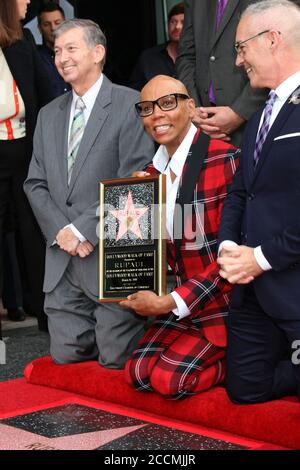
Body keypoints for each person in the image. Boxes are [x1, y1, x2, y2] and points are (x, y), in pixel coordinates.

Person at [24, 19, 155, 368]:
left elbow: (136, 181)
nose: (61, 58)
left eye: (70, 48)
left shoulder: (130, 104)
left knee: (117, 360)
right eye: (56, 51)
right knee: (66, 358)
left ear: (98, 52)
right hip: (63, 258)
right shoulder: (48, 115)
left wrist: (84, 228)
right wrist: (63, 232)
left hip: (113, 257)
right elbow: (34, 183)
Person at [121, 75, 240, 399]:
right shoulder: (149, 174)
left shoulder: (225, 158)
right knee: (138, 374)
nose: (156, 115)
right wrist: (137, 208)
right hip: (182, 307)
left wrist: (168, 301)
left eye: (167, 103)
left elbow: (231, 258)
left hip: (221, 305)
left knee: (170, 381)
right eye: (146, 108)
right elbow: (147, 254)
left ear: (190, 107)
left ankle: (244, 362)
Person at [217, 0, 300, 404]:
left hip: (292, 280)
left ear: (272, 39)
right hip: (252, 288)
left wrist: (262, 257)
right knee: (245, 388)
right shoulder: (263, 111)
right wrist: (229, 247)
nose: (237, 61)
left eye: (241, 47)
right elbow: (241, 191)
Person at [0, 0, 52, 328]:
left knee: (34, 234)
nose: (28, 1)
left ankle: (47, 313)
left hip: (26, 153)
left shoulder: (25, 41)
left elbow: (45, 94)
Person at [175, 0, 272, 147]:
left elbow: (279, 49)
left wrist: (239, 112)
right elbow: (186, 56)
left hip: (254, 117)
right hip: (203, 124)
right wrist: (193, 109)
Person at [129, 2, 184, 91]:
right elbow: (134, 93)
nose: (177, 26)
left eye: (183, 22)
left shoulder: (201, 57)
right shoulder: (148, 57)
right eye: (173, 22)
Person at [37, 2, 71, 97]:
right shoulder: (36, 60)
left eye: (57, 23)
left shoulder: (77, 54)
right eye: (47, 24)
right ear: (40, 29)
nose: (53, 28)